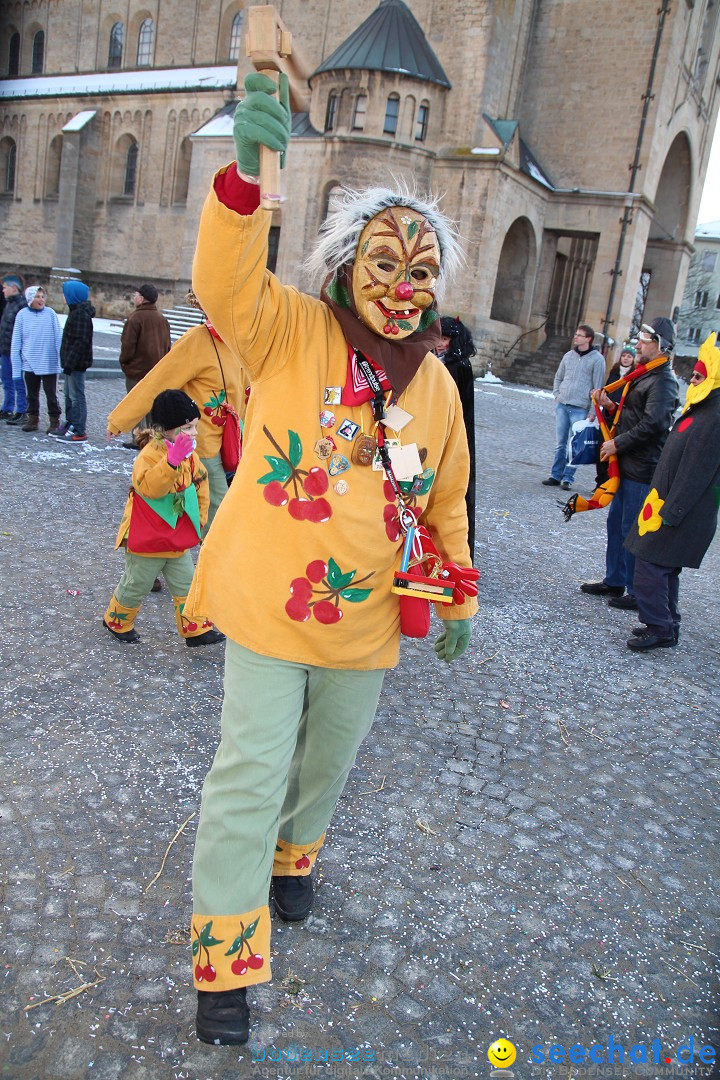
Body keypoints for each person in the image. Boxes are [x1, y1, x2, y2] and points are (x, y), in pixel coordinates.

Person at [186, 72, 478, 1047]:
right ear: (350, 264)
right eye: (388, 262)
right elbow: (223, 286)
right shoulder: (289, 331)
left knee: (330, 760)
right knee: (251, 768)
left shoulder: (435, 385)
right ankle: (226, 959)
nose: (404, 285)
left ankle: (295, 857)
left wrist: (461, 590)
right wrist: (241, 188)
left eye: (422, 270)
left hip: (366, 619)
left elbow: (446, 495)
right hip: (270, 604)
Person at [107, 291, 248, 532]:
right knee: (219, 508)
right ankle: (207, 560)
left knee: (221, 507)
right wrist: (120, 419)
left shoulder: (238, 344)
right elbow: (158, 380)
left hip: (232, 442)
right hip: (200, 441)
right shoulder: (196, 341)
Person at [102, 389, 224, 647]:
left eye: (194, 427)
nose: (193, 434)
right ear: (162, 429)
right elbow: (149, 488)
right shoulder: (149, 455)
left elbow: (200, 485)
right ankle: (117, 621)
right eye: (186, 428)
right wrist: (170, 462)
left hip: (176, 535)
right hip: (148, 537)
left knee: (187, 583)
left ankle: (195, 629)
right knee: (138, 583)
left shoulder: (192, 455)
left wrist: (199, 520)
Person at [623, 333, 720, 650]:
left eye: (697, 376)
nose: (691, 381)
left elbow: (697, 473)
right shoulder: (703, 408)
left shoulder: (714, 416)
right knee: (663, 569)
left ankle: (660, 627)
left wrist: (672, 512)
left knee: (650, 566)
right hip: (668, 505)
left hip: (678, 512)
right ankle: (667, 624)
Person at [579, 318, 678, 610]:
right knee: (617, 525)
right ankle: (616, 578)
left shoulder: (663, 380)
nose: (638, 345)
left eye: (644, 341)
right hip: (626, 465)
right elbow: (635, 414)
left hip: (642, 467)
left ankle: (637, 590)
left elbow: (655, 423)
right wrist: (610, 407)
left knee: (633, 530)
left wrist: (617, 443)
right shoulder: (645, 375)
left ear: (660, 346)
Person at [542, 325, 606, 491]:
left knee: (575, 445)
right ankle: (555, 475)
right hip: (563, 405)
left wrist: (593, 411)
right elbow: (558, 377)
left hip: (581, 408)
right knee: (560, 444)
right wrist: (557, 393)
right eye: (576, 334)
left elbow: (598, 387)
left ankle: (568, 477)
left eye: (579, 335)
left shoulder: (597, 360)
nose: (576, 337)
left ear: (588, 339)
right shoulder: (568, 356)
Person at [436, 316, 477, 558]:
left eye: (445, 339)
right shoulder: (438, 361)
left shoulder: (458, 366)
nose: (440, 343)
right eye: (439, 337)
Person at [118, 283, 171, 448]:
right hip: (156, 371)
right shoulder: (162, 319)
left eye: (135, 295)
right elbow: (168, 346)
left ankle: (140, 438)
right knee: (150, 405)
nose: (134, 298)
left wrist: (125, 364)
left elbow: (127, 346)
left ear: (142, 298)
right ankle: (151, 437)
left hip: (137, 370)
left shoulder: (135, 318)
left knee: (136, 405)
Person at [10, 286, 62, 434]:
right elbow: (16, 342)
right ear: (30, 299)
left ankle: (54, 421)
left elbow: (58, 337)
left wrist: (61, 361)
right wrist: (16, 369)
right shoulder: (22, 315)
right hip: (30, 360)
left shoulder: (50, 314)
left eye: (42, 296)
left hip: (49, 361)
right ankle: (33, 418)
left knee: (51, 394)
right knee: (31, 394)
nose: (41, 299)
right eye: (37, 296)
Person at [52, 280, 95, 443]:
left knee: (77, 396)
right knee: (69, 395)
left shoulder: (80, 314)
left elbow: (80, 342)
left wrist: (69, 363)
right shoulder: (76, 312)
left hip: (76, 363)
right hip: (71, 363)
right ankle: (70, 423)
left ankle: (79, 430)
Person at [0, 274, 28, 423]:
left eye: (5, 288)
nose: (3, 290)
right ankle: (7, 408)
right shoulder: (9, 303)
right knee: (6, 381)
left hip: (16, 351)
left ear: (13, 288)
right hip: (6, 350)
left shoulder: (22, 305)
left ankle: (22, 410)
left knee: (18, 381)